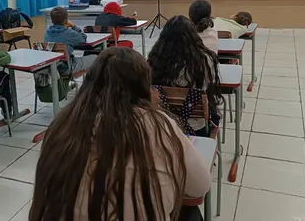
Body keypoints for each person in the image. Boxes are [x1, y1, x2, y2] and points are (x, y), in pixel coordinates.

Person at [29, 47, 211, 220]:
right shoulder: (160, 125)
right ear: (144, 86)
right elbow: (200, 187)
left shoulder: (62, 124)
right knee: (191, 212)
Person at [147, 15, 221, 137]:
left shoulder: (154, 60)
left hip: (162, 127)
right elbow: (208, 84)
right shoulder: (206, 60)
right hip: (197, 130)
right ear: (194, 36)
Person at [45, 7, 97, 74]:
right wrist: (73, 26)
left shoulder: (47, 33)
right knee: (96, 58)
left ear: (52, 21)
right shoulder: (69, 33)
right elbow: (83, 38)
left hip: (52, 67)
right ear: (66, 20)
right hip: (67, 68)